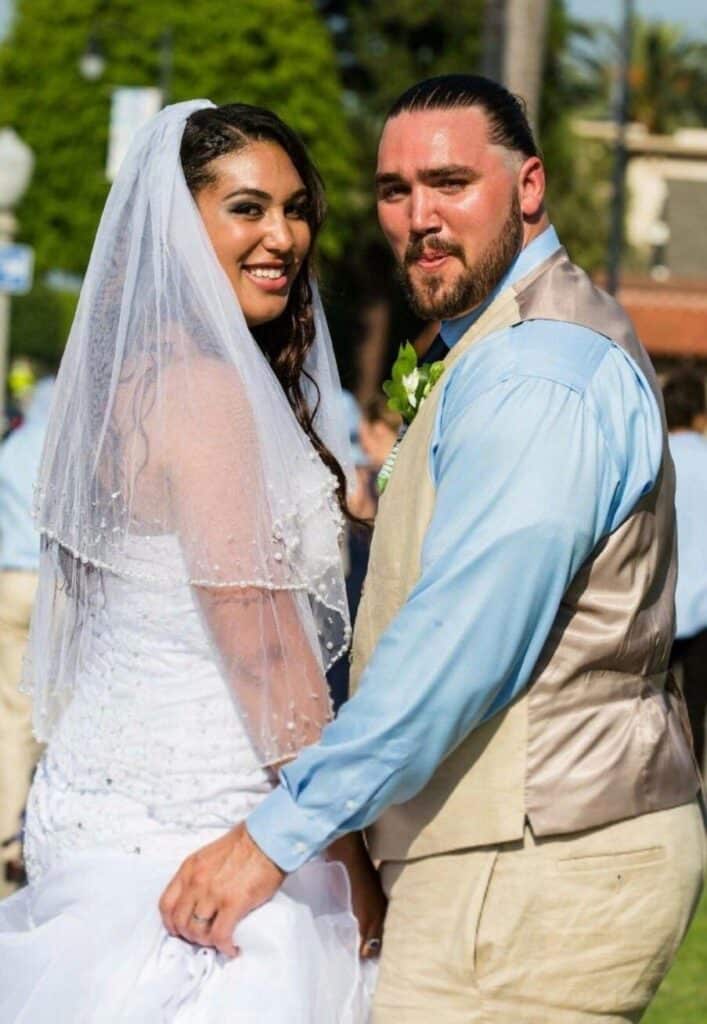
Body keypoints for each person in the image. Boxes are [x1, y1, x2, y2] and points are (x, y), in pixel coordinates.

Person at [163, 75, 706, 1023]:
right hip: (503, 855)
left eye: (450, 182)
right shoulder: (486, 349)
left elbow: (459, 646)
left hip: (538, 861)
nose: (420, 217)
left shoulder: (541, 370)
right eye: (393, 190)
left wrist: (275, 838)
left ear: (529, 186)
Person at [0, 101, 383, 1022]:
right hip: (196, 834)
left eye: (295, 209)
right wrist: (355, 874)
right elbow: (264, 653)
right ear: (176, 225)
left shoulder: (118, 388)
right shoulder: (207, 394)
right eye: (246, 208)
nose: (282, 236)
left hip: (91, 809)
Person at [0, 372, 54, 897]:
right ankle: (37, 825)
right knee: (52, 709)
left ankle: (5, 837)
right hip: (56, 585)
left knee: (12, 716)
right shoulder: (69, 442)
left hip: (11, 579)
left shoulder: (14, 444)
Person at [664, 366, 707, 774]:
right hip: (704, 611)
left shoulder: (653, 456)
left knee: (651, 705)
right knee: (696, 712)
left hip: (656, 602)